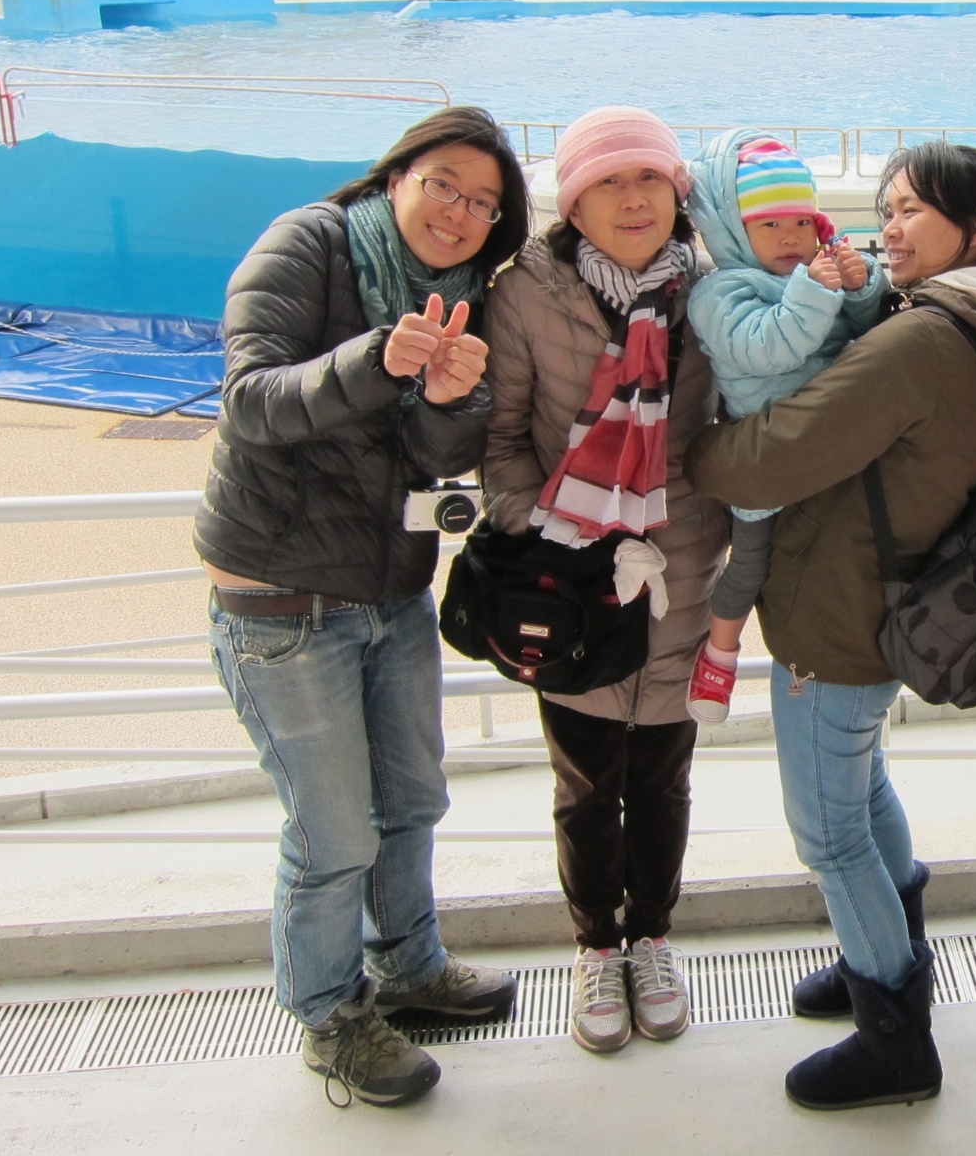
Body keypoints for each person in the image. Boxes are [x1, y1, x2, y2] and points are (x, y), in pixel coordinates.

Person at [689, 142, 976, 1113]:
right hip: (891, 594)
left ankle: (893, 1034)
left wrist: (695, 448)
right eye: (884, 208)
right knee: (864, 786)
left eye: (910, 211)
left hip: (838, 612)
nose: (886, 228)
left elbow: (767, 459)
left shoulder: (921, 341)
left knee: (829, 834)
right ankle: (885, 950)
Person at [196, 107, 531, 1106]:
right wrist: (376, 360)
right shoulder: (309, 243)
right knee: (334, 834)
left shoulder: (463, 297)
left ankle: (411, 968)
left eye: (483, 202)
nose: (460, 212)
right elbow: (249, 400)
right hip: (282, 597)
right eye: (444, 185)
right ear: (396, 179)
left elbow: (436, 458)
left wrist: (452, 401)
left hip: (391, 591)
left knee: (414, 801)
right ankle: (330, 1014)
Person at [481, 106, 733, 1055]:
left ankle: (652, 939)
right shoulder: (525, 294)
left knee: (664, 781)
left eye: (649, 179)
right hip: (571, 585)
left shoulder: (717, 288)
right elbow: (502, 441)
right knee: (586, 786)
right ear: (573, 205)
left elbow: (750, 421)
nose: (633, 200)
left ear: (678, 192)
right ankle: (596, 947)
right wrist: (556, 534)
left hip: (682, 580)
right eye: (607, 184)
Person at [680, 130, 886, 723]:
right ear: (731, 229)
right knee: (749, 565)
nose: (791, 236)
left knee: (833, 557)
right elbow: (767, 348)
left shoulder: (816, 273)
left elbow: (863, 331)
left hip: (831, 450)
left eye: (801, 221)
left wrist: (861, 286)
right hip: (769, 459)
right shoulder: (720, 291)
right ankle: (719, 655)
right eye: (769, 224)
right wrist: (815, 290)